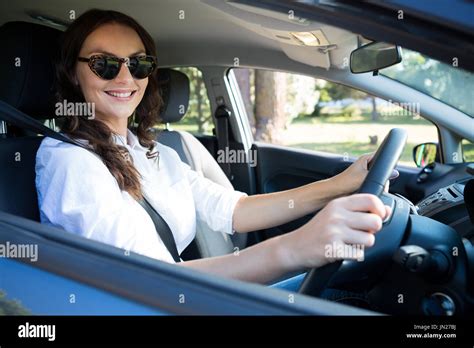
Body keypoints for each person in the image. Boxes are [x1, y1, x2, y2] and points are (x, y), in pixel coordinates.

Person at [35, 9, 391, 287]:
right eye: (104, 64)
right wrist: (297, 247)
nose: (126, 78)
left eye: (139, 63)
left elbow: (235, 210)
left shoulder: (155, 152)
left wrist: (342, 184)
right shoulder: (69, 161)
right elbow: (151, 279)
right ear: (72, 73)